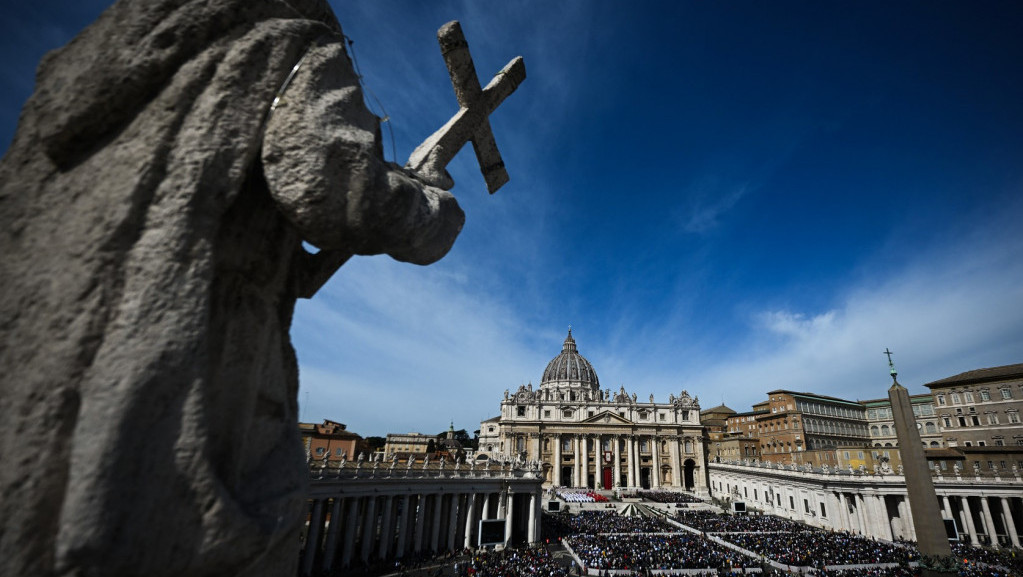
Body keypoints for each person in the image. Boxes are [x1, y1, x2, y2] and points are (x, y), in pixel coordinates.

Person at [0, 1, 463, 576]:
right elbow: (332, 188)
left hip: (43, 335)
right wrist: (430, 204)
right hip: (196, 338)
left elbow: (298, 274)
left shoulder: (89, 55)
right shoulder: (290, 39)